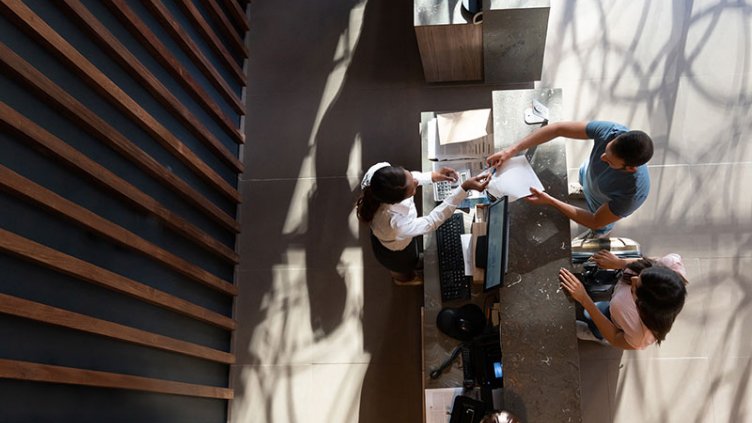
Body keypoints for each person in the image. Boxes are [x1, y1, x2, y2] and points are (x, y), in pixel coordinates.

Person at [486, 121, 653, 239]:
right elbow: (557, 129)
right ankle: (584, 190)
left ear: (630, 168)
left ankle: (600, 235)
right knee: (585, 178)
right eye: (606, 150)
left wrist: (550, 201)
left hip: (602, 203)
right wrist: (510, 151)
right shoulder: (611, 131)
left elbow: (594, 221)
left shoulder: (632, 194)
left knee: (600, 227)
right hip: (590, 177)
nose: (601, 157)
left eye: (609, 161)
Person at [356, 162, 489, 283]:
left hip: (388, 236)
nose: (415, 181)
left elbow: (410, 178)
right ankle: (403, 280)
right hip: (395, 252)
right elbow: (431, 221)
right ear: (397, 200)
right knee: (405, 266)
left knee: (413, 254)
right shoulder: (397, 225)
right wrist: (463, 188)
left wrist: (433, 176)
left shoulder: (379, 172)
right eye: (412, 189)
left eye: (407, 174)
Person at [558, 250, 688, 350]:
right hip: (616, 307)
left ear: (642, 307)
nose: (633, 279)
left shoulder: (640, 334)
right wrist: (620, 263)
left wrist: (584, 299)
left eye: (635, 289)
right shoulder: (672, 266)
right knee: (600, 310)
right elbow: (653, 261)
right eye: (641, 275)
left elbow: (615, 338)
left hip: (617, 321)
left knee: (597, 320)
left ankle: (597, 335)